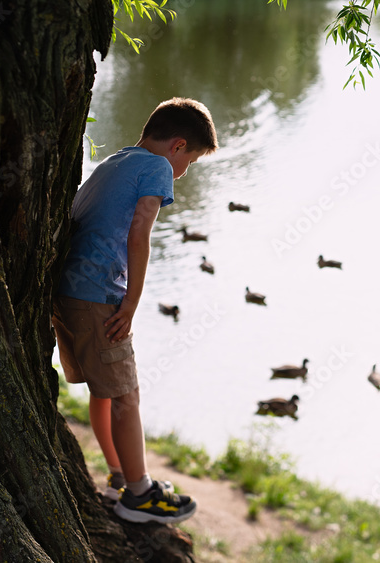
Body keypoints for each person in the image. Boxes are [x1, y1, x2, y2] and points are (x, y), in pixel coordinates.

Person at [53, 97, 218, 524]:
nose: (183, 173)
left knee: (104, 390)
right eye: (191, 162)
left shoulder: (116, 160)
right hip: (100, 296)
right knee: (127, 395)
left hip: (69, 291)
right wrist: (132, 300)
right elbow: (140, 230)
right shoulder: (158, 167)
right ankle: (140, 495)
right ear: (178, 146)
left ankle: (120, 477)